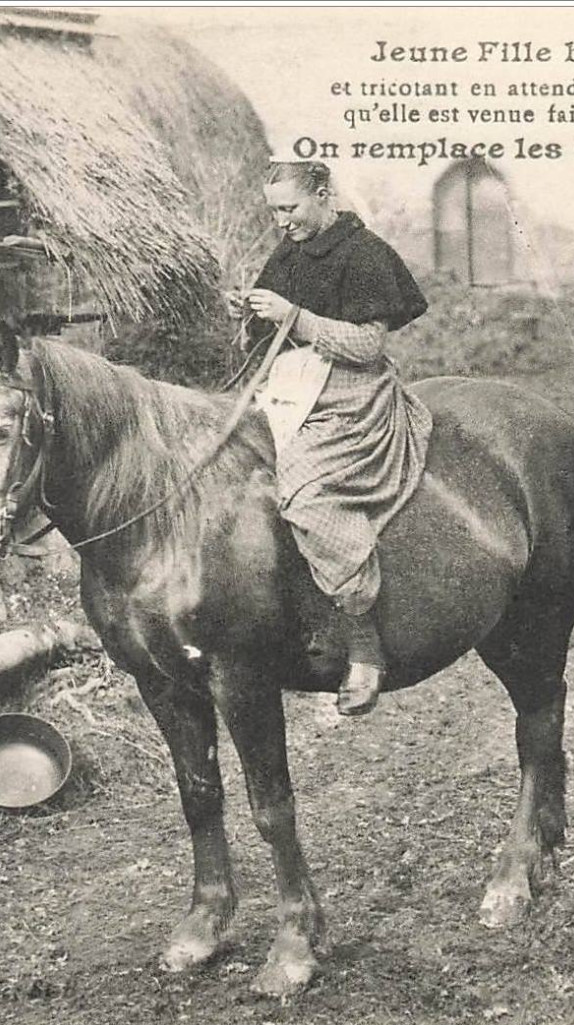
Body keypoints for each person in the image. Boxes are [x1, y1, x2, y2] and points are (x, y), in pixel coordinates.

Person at [225, 159, 432, 716]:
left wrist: (293, 315)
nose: (281, 222)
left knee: (305, 496)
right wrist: (252, 315)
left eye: (289, 208)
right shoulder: (291, 249)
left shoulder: (365, 254)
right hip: (291, 389)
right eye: (273, 212)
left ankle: (365, 648)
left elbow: (368, 347)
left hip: (351, 398)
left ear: (322, 194)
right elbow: (277, 327)